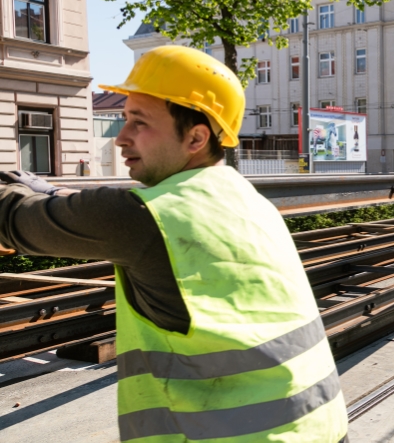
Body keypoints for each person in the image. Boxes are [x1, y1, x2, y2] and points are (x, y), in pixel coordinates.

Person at [0, 46, 348, 442]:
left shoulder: (143, 217)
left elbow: (10, 219)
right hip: (315, 426)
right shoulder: (247, 199)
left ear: (196, 137)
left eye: (138, 122)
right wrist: (49, 191)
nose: (120, 139)